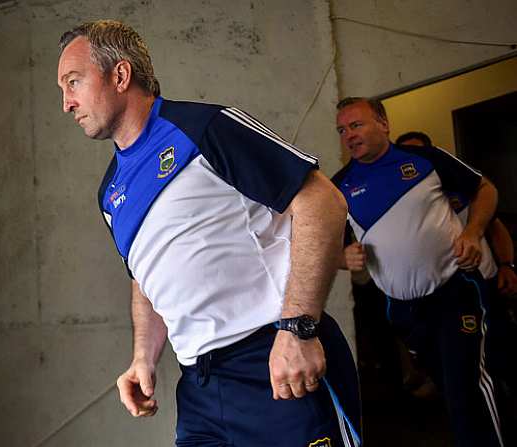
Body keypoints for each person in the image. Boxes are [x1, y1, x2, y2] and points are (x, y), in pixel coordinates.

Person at [57, 20, 361, 447]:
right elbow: (146, 277)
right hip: (200, 389)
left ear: (120, 76)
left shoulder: (204, 127)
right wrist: (143, 358)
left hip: (275, 363)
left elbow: (322, 202)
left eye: (73, 82)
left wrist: (298, 329)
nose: (67, 103)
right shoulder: (110, 194)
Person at [333, 97, 504, 446]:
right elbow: (322, 248)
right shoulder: (339, 186)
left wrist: (472, 232)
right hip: (402, 309)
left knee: (465, 385)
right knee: (446, 384)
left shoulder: (426, 160)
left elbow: (485, 189)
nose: (348, 135)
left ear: (383, 124)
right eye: (342, 129)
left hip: (454, 292)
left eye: (356, 125)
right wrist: (341, 258)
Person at [395, 131, 517, 297]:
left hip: (486, 279)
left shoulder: (464, 185)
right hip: (441, 292)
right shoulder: (400, 203)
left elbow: (495, 226)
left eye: (421, 152)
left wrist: (506, 265)